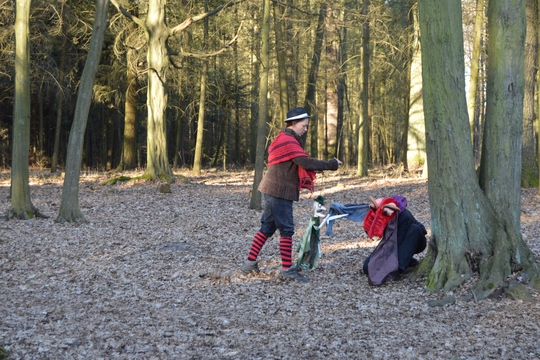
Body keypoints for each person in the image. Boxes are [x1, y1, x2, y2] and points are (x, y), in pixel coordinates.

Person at [240, 107, 342, 282]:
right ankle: (287, 269)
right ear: (293, 124)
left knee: (267, 227)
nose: (306, 129)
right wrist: (331, 164)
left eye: (307, 126)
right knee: (286, 229)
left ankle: (249, 264)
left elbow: (300, 162)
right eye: (304, 125)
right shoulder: (288, 141)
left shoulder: (286, 139)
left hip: (272, 190)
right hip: (278, 192)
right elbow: (305, 161)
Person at [362, 196, 427, 281]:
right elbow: (381, 236)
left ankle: (398, 269)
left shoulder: (404, 216)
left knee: (415, 229)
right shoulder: (381, 218)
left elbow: (397, 243)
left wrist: (389, 264)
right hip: (392, 242)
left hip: (415, 240)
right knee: (367, 267)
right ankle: (409, 261)